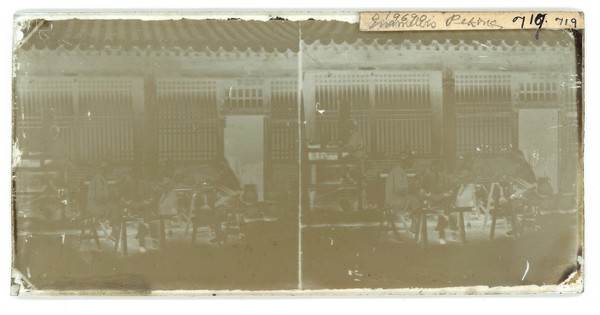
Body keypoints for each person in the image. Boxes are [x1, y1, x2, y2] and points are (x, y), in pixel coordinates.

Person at [421, 160, 458, 245]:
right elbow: (425, 191)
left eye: (440, 168)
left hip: (443, 202)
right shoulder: (428, 177)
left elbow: (451, 190)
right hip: (432, 202)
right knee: (448, 207)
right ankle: (449, 231)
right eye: (436, 167)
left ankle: (447, 232)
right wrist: (435, 196)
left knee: (449, 205)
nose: (438, 170)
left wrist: (446, 194)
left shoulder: (446, 177)